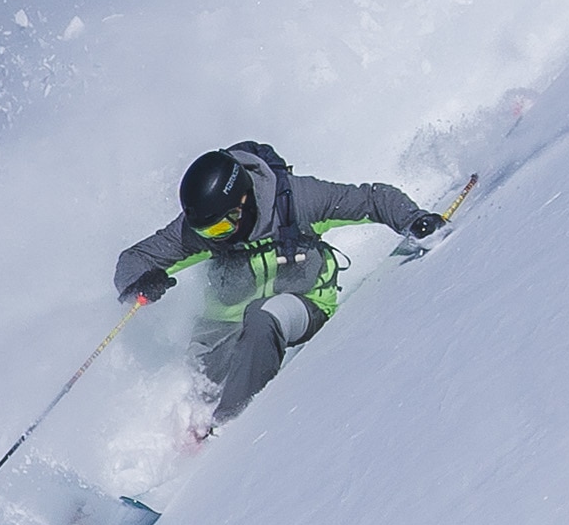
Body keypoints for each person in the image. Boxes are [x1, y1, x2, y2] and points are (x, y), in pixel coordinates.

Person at [113, 141, 444, 428]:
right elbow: (133, 260)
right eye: (209, 233)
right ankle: (162, 461)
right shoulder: (201, 229)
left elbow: (371, 199)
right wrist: (142, 281)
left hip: (301, 306)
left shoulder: (297, 200)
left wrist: (413, 219)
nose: (219, 237)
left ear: (243, 202)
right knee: (191, 392)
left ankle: (229, 428)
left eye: (220, 228)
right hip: (226, 328)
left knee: (263, 317)